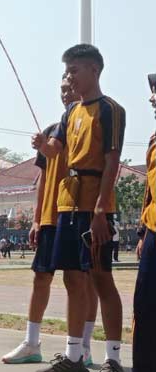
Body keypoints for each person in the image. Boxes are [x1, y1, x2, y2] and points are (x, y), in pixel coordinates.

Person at [33, 44, 125, 372]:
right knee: (72, 277)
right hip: (67, 205)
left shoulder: (110, 109)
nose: (69, 77)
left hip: (94, 205)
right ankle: (74, 356)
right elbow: (56, 149)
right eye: (67, 70)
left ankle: (113, 355)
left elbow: (112, 160)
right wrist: (44, 146)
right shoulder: (70, 112)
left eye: (74, 70)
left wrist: (101, 210)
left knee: (101, 277)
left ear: (94, 70)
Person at [3, 76, 98, 366]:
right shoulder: (52, 132)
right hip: (50, 216)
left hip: (80, 212)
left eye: (71, 86)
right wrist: (36, 219)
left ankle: (83, 346)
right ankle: (31, 343)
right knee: (41, 277)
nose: (67, 92)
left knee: (81, 280)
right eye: (62, 88)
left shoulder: (93, 125)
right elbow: (43, 179)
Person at [132, 73, 156, 371]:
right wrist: (141, 232)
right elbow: (149, 191)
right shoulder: (153, 140)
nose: (151, 98)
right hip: (153, 234)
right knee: (146, 308)